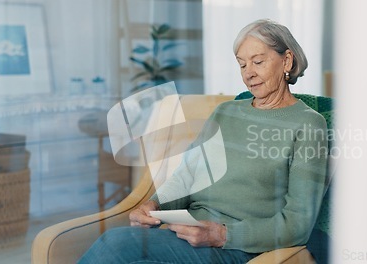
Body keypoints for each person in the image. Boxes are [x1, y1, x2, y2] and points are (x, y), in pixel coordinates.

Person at [78, 19, 329, 264]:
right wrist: (154, 203)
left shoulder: (308, 124)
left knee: (115, 243)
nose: (249, 73)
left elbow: (298, 223)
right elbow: (187, 175)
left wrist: (222, 234)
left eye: (258, 61)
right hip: (185, 233)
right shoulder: (225, 112)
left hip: (236, 247)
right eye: (242, 65)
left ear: (286, 60)